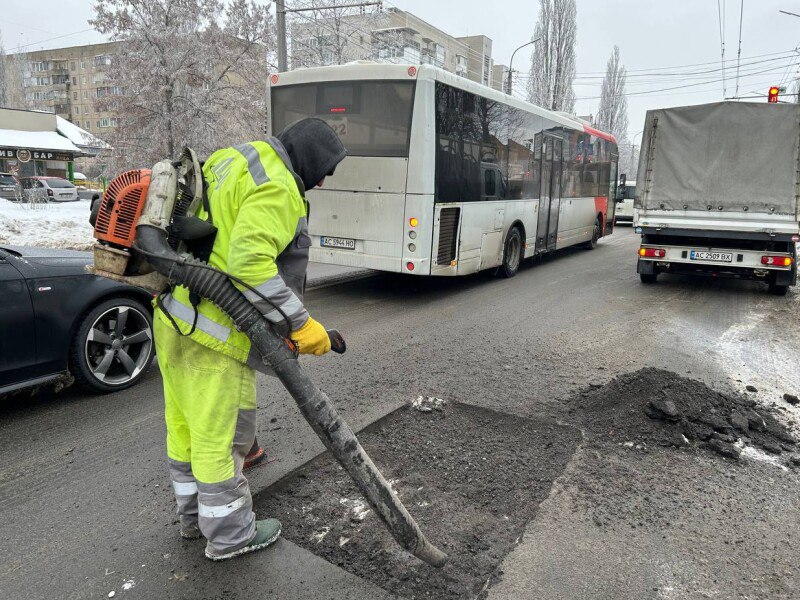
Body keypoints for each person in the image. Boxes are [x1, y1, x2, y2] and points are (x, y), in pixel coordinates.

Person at [153, 118, 347, 561]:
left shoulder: (234, 156)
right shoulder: (279, 187)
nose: (320, 181)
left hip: (173, 315)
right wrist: (301, 324)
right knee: (220, 439)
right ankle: (231, 536)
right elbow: (248, 264)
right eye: (324, 172)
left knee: (184, 429)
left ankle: (191, 520)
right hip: (215, 334)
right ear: (311, 161)